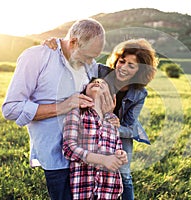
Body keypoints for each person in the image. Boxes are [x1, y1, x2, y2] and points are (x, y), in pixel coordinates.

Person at [1, 18, 115, 200]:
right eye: (88, 56)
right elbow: (11, 109)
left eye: (94, 57)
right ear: (73, 42)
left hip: (88, 155)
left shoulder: (89, 64)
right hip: (57, 157)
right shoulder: (36, 57)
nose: (91, 62)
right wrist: (63, 106)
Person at [44, 38, 158, 200]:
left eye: (131, 66)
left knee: (124, 173)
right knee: (86, 162)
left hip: (118, 129)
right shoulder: (101, 72)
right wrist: (56, 45)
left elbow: (131, 128)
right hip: (90, 121)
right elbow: (76, 60)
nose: (123, 68)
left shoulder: (139, 93)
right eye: (122, 61)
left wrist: (113, 126)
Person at [63, 78, 128, 200]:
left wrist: (121, 155)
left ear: (109, 96)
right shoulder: (76, 114)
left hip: (109, 188)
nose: (98, 83)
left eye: (103, 83)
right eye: (93, 82)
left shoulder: (112, 120)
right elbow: (69, 148)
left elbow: (118, 147)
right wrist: (102, 160)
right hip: (84, 186)